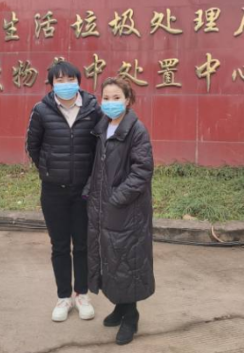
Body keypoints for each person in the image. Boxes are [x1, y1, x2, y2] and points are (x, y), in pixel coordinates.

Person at [26, 61, 102, 322]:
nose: (66, 84)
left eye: (71, 79)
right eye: (60, 80)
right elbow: (33, 146)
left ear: (79, 81)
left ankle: (82, 295)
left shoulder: (92, 109)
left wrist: (90, 180)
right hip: (53, 191)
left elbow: (98, 147)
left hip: (83, 191)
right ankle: (63, 297)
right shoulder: (41, 110)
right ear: (51, 84)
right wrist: (49, 170)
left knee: (82, 245)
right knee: (59, 245)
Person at [83, 77, 155, 346]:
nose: (111, 102)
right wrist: (90, 190)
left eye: (116, 98)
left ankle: (131, 316)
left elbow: (142, 171)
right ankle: (121, 307)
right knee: (113, 259)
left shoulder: (136, 130)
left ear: (128, 100)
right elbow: (98, 167)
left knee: (128, 260)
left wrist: (116, 198)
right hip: (104, 206)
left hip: (127, 210)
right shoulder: (103, 127)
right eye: (106, 98)